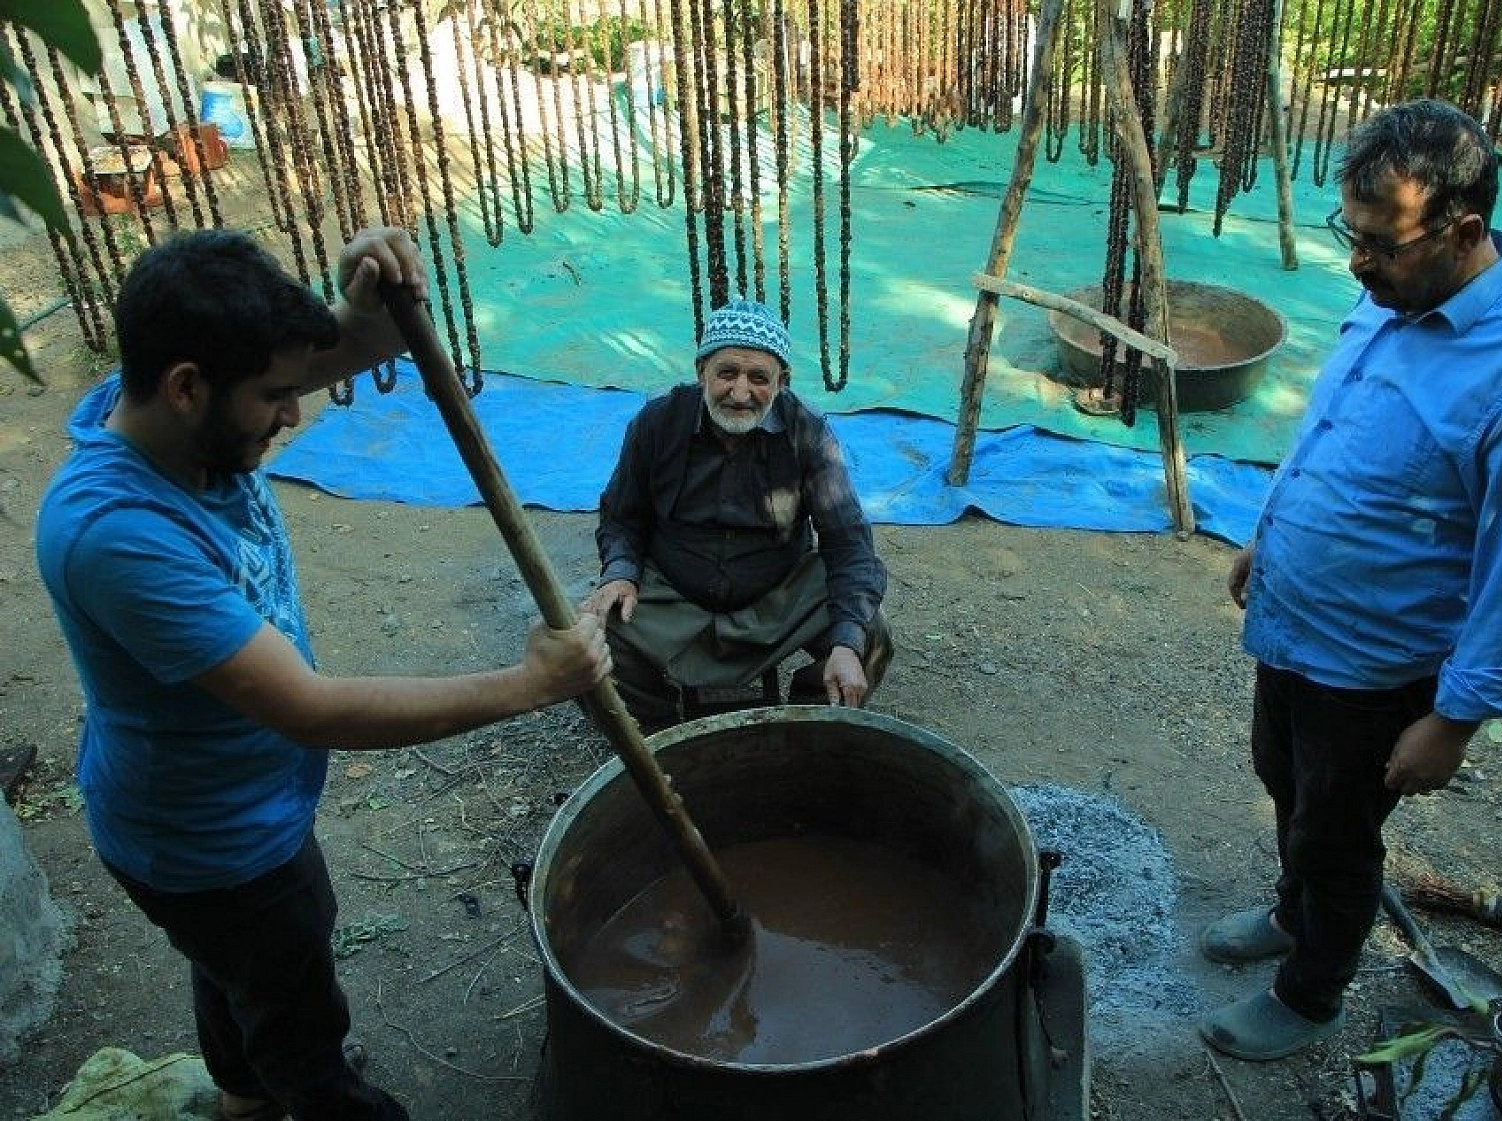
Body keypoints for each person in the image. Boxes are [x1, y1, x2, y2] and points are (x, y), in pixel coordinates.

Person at [34, 227, 611, 1121]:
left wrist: (363, 303)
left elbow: (359, 342)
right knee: (298, 1017)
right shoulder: (115, 533)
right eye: (273, 396)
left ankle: (239, 1097)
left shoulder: (171, 409)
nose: (293, 414)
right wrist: (531, 683)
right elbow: (307, 708)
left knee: (237, 971)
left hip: (222, 812)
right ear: (187, 388)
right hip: (212, 840)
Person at [1198, 100, 1502, 1061]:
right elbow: (1331, 434)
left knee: (1338, 837)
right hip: (1298, 627)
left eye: (1379, 242)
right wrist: (1271, 537)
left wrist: (1456, 718)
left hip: (1377, 670)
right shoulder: (1394, 297)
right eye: (1353, 232)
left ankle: (1310, 995)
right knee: (1284, 783)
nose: (1355, 260)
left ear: (1463, 232)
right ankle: (1296, 915)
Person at [583, 298, 891, 730]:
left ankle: (806, 731)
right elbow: (622, 516)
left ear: (781, 382)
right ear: (701, 373)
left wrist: (846, 644)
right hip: (673, 595)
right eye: (727, 373)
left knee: (866, 633)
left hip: (776, 598)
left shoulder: (807, 432)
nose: (740, 393)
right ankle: (658, 739)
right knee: (583, 636)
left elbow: (849, 545)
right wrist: (620, 572)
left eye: (758, 378)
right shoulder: (657, 423)